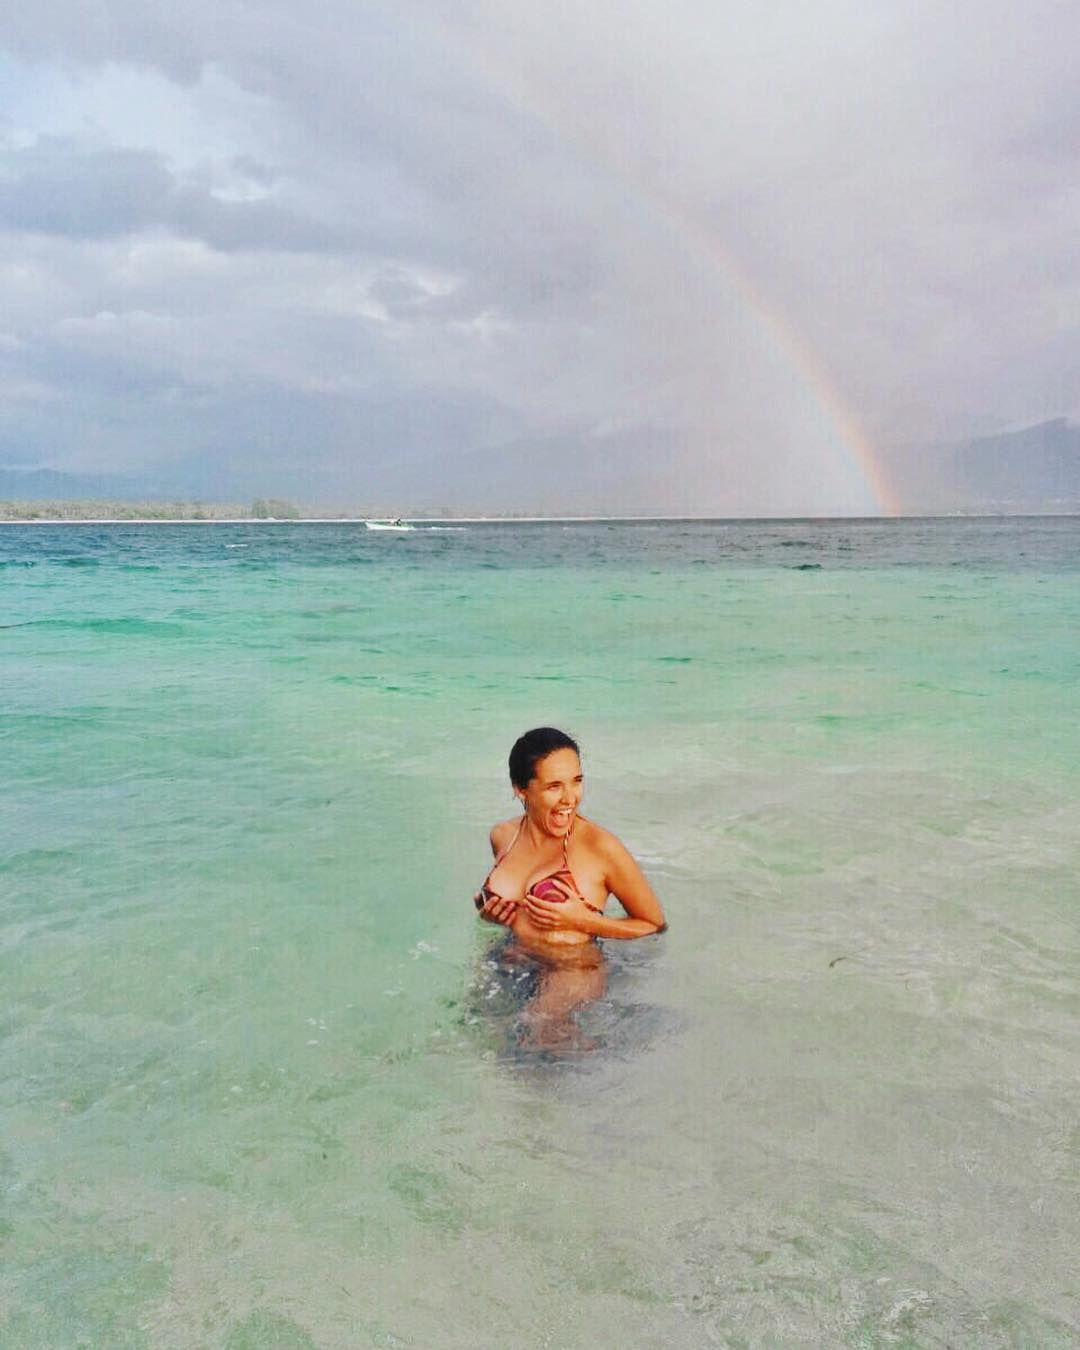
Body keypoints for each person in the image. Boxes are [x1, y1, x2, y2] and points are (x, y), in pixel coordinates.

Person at [474, 727, 665, 1048]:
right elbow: (518, 904)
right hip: (512, 955)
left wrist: (584, 921)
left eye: (577, 781)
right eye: (554, 786)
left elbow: (653, 924)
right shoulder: (503, 836)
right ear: (521, 789)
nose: (570, 798)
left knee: (533, 1040)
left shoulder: (600, 847)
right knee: (472, 1034)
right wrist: (494, 914)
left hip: (572, 968)